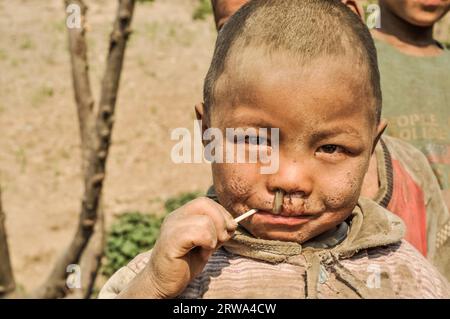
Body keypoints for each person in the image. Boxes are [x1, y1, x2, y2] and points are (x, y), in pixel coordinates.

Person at [99, 0, 449, 298]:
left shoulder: (407, 274)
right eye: (253, 142)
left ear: (372, 144)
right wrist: (155, 287)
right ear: (207, 135)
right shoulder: (177, 267)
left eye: (330, 148)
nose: (290, 180)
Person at [211, 0, 450, 280]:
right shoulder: (201, 249)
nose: (289, 180)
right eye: (235, 26)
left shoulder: (412, 187)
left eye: (330, 148)